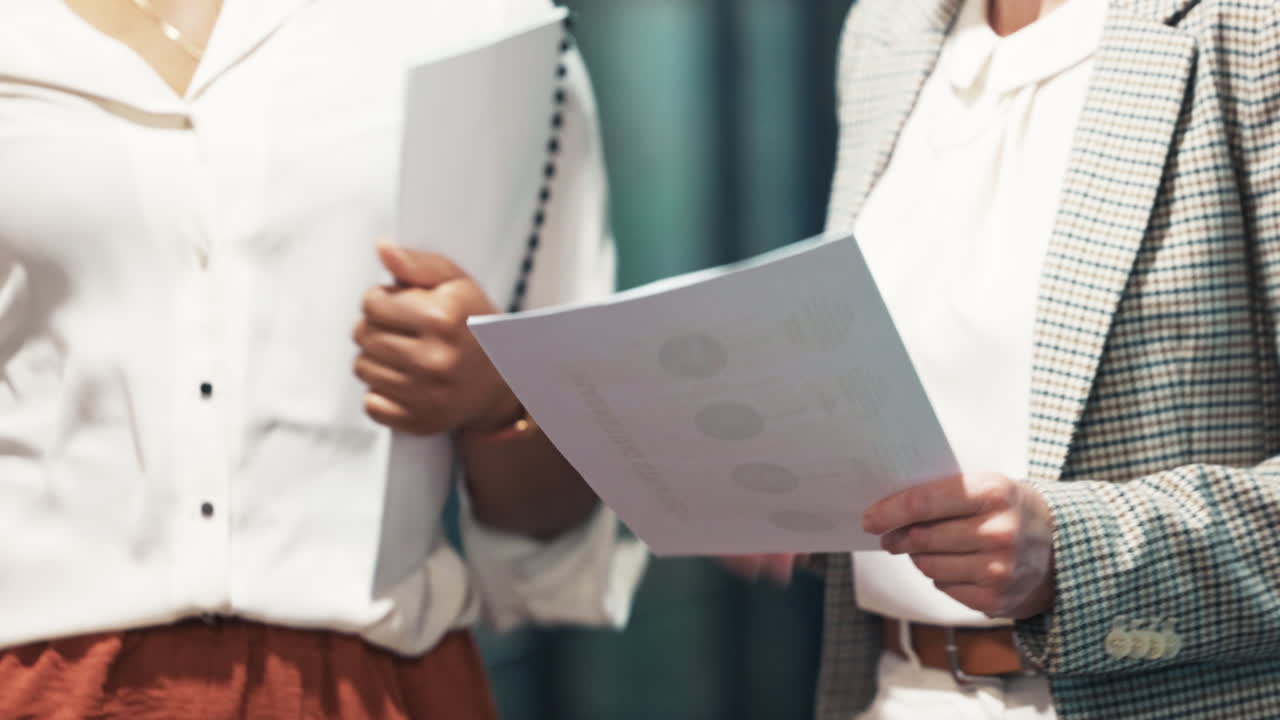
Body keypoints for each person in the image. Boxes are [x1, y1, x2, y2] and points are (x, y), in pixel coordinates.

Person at [0, 1, 645, 718]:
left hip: (377, 684)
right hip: (38, 685)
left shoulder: (480, 27)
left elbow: (560, 528)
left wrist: (499, 401)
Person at [729, 0, 1280, 718]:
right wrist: (795, 497)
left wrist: (1071, 555)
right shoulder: (886, 29)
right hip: (894, 689)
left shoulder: (1252, 26)